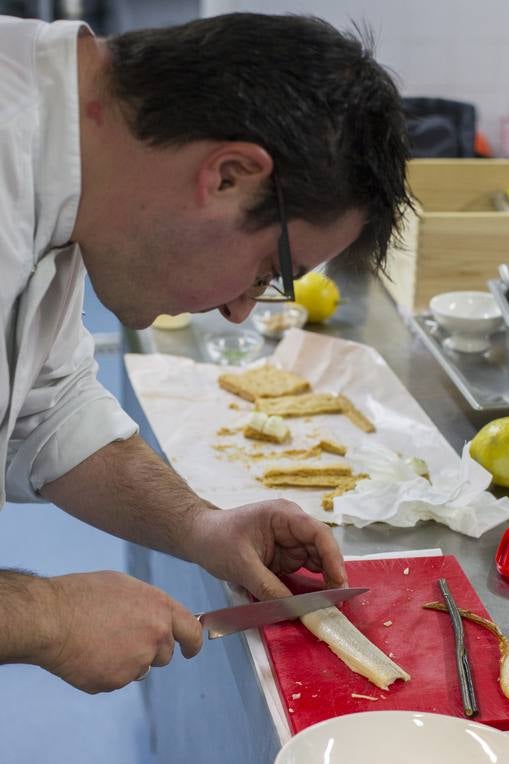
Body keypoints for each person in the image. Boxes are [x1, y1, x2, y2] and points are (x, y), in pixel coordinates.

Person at [0, 12, 412, 693]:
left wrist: (199, 526)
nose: (241, 310)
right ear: (228, 176)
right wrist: (44, 615)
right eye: (265, 272)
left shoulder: (64, 165)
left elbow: (47, 416)